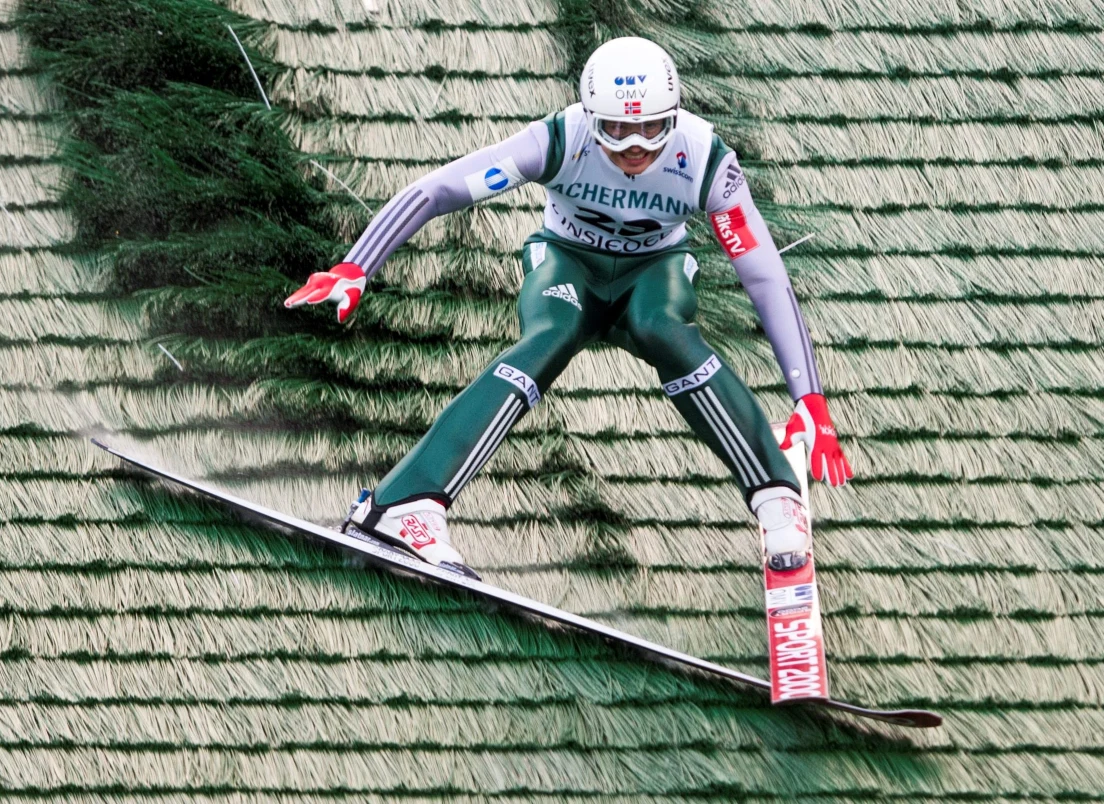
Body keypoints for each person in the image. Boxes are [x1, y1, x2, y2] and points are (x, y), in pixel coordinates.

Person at [286, 37, 852, 580]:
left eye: (652, 129)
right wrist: (357, 265)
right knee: (549, 336)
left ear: (674, 117)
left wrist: (809, 398)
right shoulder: (560, 138)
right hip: (568, 262)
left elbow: (763, 274)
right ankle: (403, 506)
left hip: (652, 273)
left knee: (665, 329)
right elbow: (441, 190)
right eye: (617, 130)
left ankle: (777, 493)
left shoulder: (704, 159)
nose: (635, 147)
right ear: (589, 117)